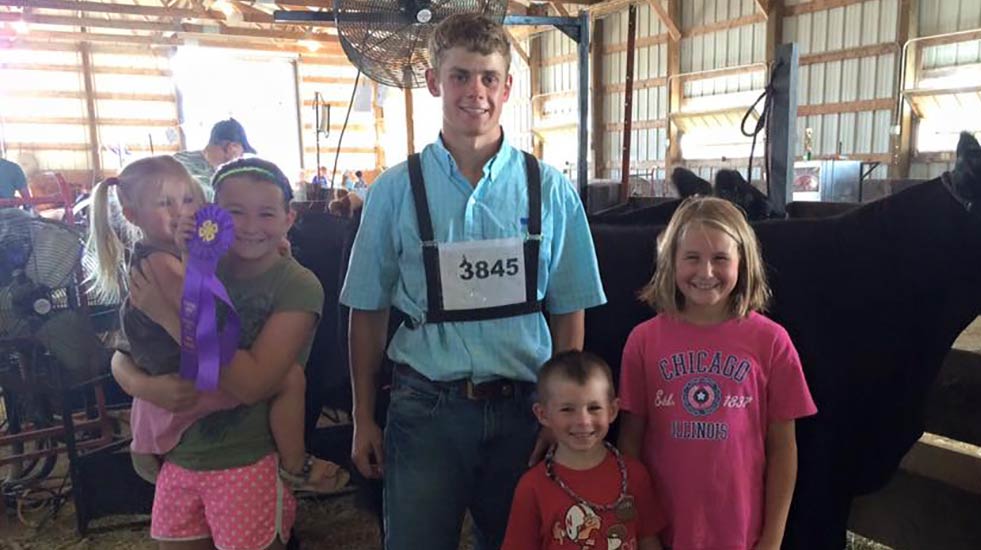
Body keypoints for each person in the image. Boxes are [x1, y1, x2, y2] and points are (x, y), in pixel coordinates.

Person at [340, 12, 606, 550]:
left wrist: (559, 412)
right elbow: (366, 311)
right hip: (425, 408)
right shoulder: (393, 192)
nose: (475, 92)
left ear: (507, 87)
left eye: (488, 77)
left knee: (519, 542)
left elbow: (569, 307)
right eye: (460, 76)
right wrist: (363, 418)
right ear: (436, 82)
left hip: (523, 407)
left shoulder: (550, 189)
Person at [110, 158, 345, 550]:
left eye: (265, 214)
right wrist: (143, 386)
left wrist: (170, 317)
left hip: (247, 457)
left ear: (289, 218)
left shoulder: (297, 285)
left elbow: (251, 385)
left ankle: (294, 464)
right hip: (181, 454)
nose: (250, 226)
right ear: (212, 215)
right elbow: (123, 351)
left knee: (290, 379)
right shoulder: (190, 262)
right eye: (234, 213)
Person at [617, 196, 817, 550]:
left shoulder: (772, 342)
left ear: (743, 262)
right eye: (692, 258)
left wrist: (772, 539)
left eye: (720, 258)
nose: (705, 272)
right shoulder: (643, 341)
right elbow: (630, 444)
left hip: (740, 533)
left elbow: (784, 449)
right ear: (671, 262)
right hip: (664, 531)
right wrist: (644, 531)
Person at [502, 351, 666, 550]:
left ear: (612, 410)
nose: (583, 421)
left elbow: (648, 539)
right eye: (567, 409)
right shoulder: (532, 487)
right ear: (543, 414)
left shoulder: (635, 474)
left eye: (594, 408)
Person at [173, 118, 256, 200]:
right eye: (241, 153)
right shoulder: (181, 162)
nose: (241, 158)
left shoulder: (180, 158)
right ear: (232, 147)